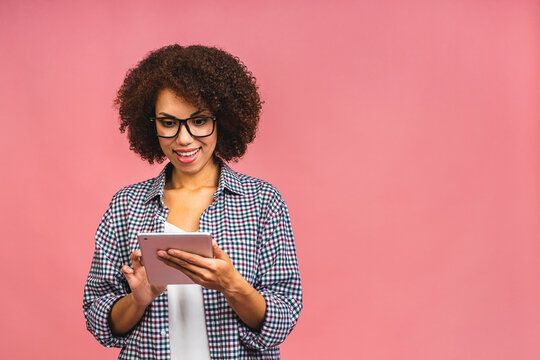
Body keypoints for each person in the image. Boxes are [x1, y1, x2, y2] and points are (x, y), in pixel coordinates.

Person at [82, 44, 303, 360]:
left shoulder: (262, 202)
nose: (183, 139)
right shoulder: (126, 206)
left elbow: (284, 315)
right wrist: (138, 300)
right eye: (169, 122)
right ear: (151, 124)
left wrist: (233, 286)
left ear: (223, 120)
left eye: (199, 121)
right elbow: (97, 316)